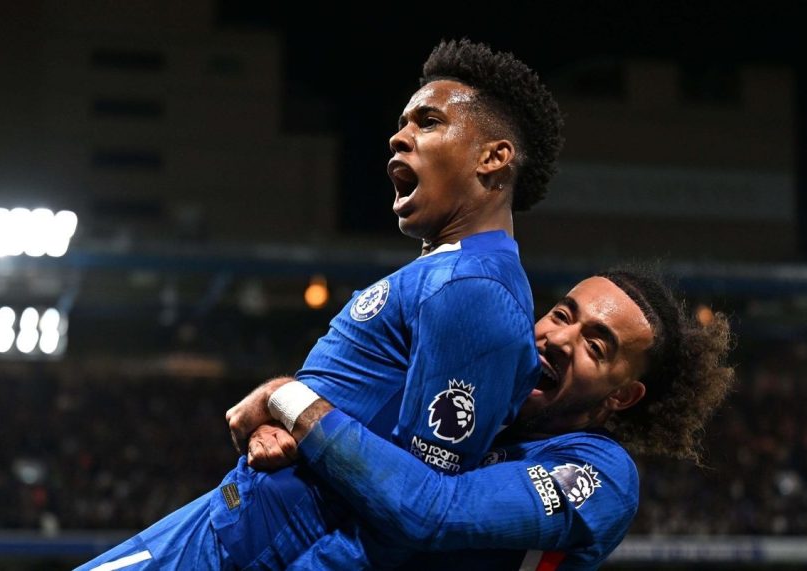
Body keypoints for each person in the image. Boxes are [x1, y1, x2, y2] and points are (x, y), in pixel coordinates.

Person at [76, 37, 564, 571]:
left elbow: (411, 509)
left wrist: (285, 401)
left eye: (428, 122)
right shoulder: (446, 274)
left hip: (257, 550)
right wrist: (279, 412)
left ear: (493, 158)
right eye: (403, 122)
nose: (399, 136)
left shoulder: (475, 290)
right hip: (231, 524)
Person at [248, 269, 736, 569]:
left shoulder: (601, 474)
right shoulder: (479, 406)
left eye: (594, 345)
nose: (559, 340)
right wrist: (286, 439)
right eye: (562, 315)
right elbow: (352, 452)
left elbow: (430, 513)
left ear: (623, 396)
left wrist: (290, 401)